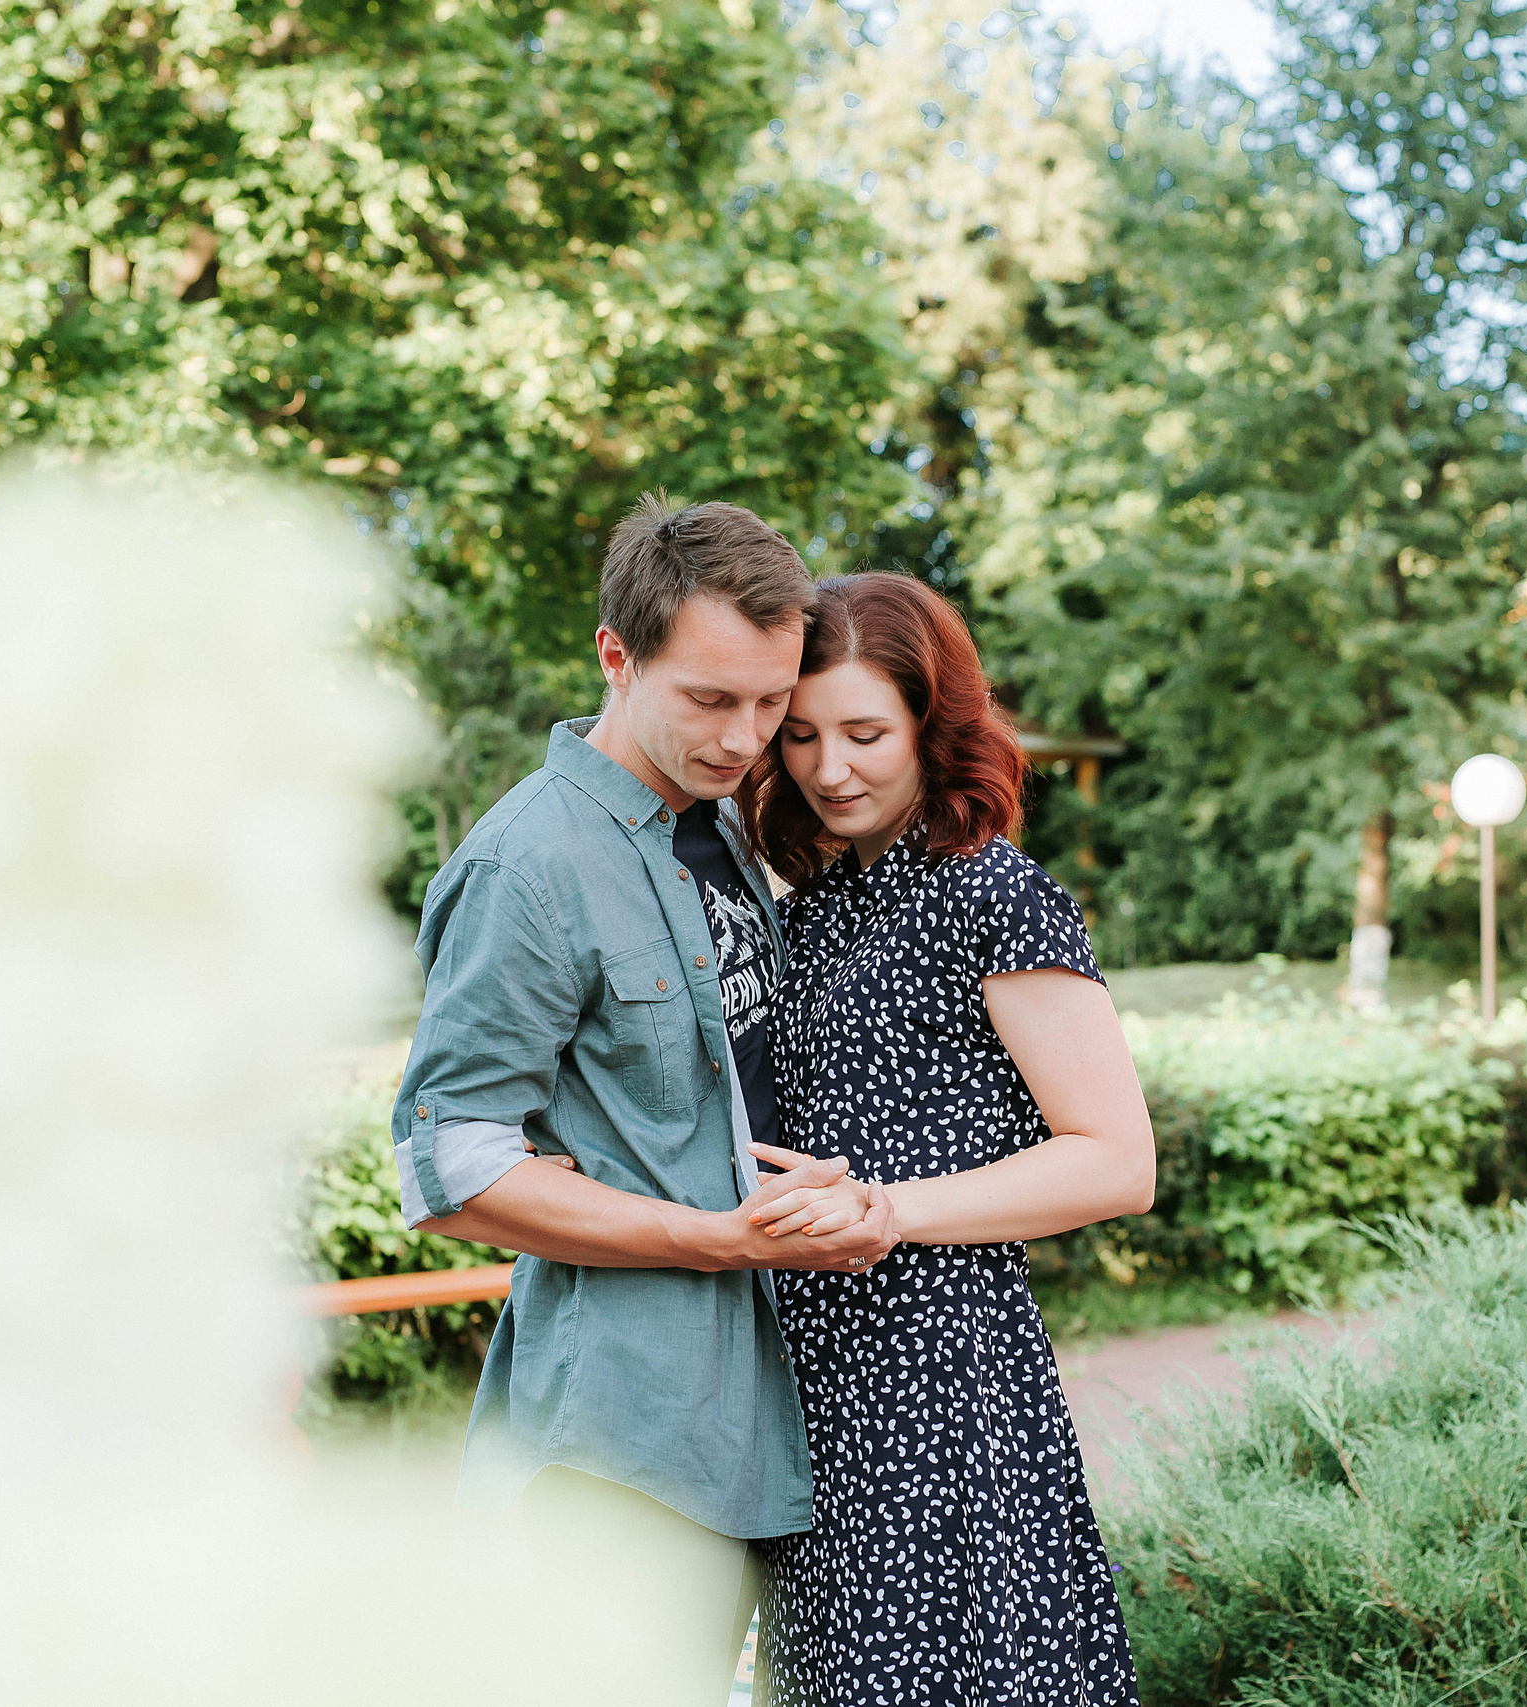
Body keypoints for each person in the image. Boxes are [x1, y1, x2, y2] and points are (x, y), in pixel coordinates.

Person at [388, 495, 899, 1706]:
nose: (745, 737)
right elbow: (450, 1164)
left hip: (757, 1413)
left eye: (770, 701)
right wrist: (710, 1238)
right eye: (710, 699)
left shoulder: (716, 822)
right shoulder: (530, 867)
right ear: (617, 659)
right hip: (619, 1434)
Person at [741, 572, 1155, 1706]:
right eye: (803, 735)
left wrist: (890, 1209)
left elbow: (1119, 1161)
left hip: (940, 1381)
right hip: (815, 1386)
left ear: (937, 724)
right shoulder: (815, 904)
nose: (831, 769)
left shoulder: (992, 892)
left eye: (867, 732)